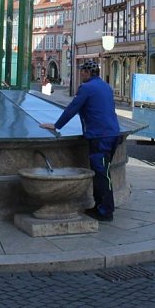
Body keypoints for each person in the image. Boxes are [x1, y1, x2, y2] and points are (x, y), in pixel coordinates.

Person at [40, 60, 121, 222]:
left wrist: (56, 125)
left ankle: (105, 211)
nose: (81, 74)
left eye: (82, 71)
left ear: (87, 73)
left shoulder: (86, 88)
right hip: (113, 134)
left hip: (99, 136)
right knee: (104, 173)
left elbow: (73, 108)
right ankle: (100, 207)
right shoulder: (106, 86)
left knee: (101, 175)